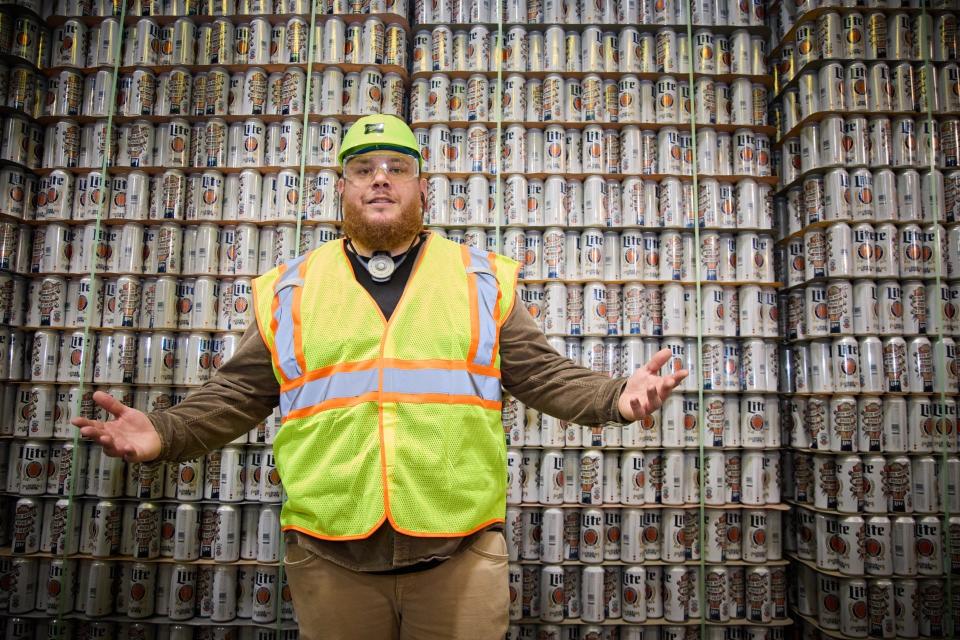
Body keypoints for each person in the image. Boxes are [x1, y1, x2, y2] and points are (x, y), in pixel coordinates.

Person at [73, 114, 688, 640]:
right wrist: (166, 431)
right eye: (363, 168)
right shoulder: (292, 287)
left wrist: (615, 397)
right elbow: (238, 392)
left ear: (423, 185)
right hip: (330, 553)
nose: (380, 179)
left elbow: (544, 374)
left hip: (460, 551)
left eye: (396, 166)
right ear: (340, 186)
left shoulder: (478, 279)